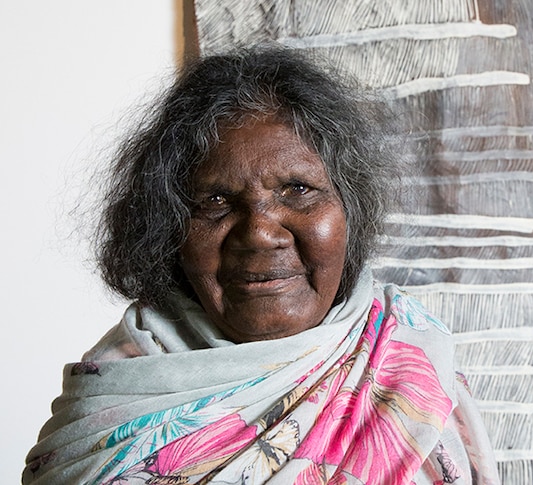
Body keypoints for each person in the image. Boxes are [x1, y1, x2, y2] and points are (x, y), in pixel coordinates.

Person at [23, 46, 500, 485]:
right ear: (169, 230)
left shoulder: (409, 362)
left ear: (350, 210)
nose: (259, 232)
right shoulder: (107, 412)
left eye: (298, 189)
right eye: (215, 200)